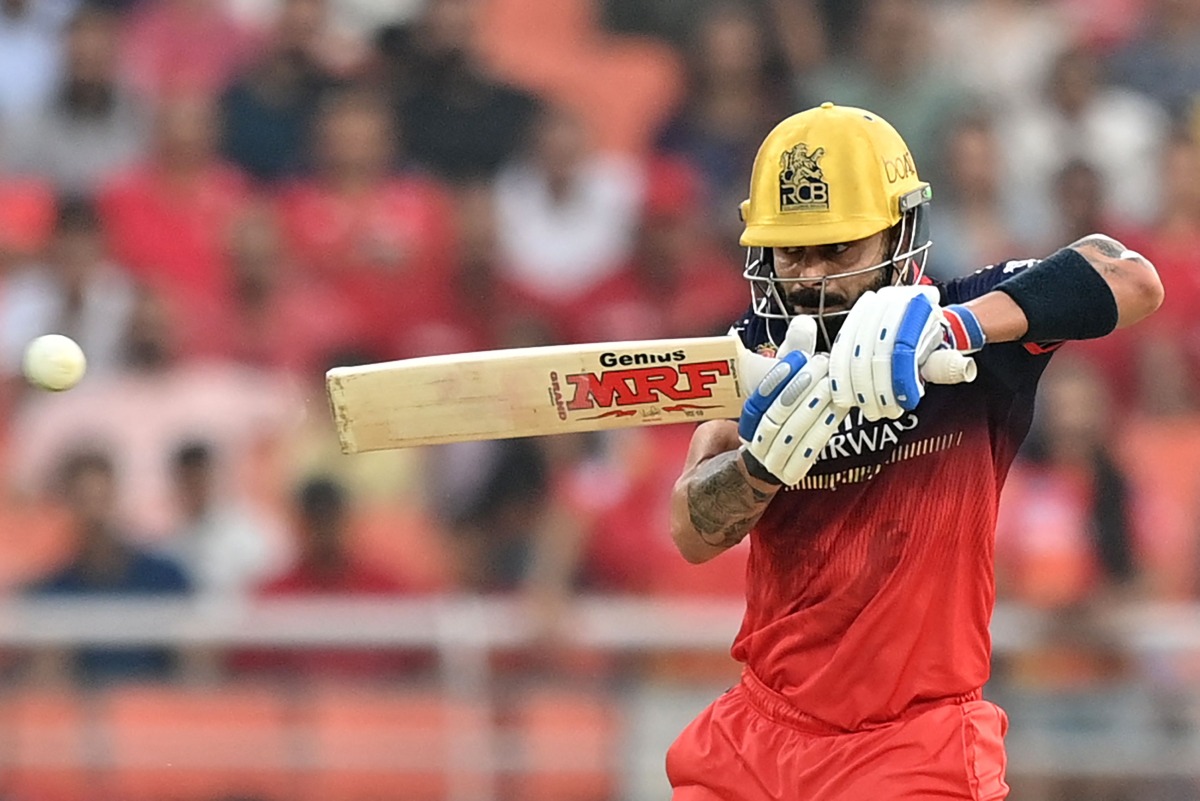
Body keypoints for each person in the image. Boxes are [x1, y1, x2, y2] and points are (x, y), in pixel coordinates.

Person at [665, 102, 1164, 801]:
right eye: (791, 251)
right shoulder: (757, 351)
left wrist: (953, 329)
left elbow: (1133, 278)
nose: (811, 278)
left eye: (839, 249)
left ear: (899, 232)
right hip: (754, 738)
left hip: (915, 748)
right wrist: (757, 469)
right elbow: (689, 531)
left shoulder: (980, 322)